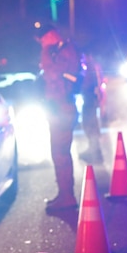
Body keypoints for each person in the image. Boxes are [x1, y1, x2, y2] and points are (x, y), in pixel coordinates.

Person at [35, 23, 81, 213]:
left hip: (62, 108)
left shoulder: (65, 52)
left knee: (60, 153)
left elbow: (51, 73)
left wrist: (46, 50)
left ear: (52, 35)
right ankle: (64, 193)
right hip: (60, 108)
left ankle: (67, 196)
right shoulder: (62, 51)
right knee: (59, 153)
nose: (42, 42)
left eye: (44, 38)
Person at [78, 53, 104, 164]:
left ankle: (95, 152)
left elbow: (87, 84)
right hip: (90, 99)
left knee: (90, 125)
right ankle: (94, 150)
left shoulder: (90, 68)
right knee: (90, 124)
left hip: (89, 100)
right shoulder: (91, 67)